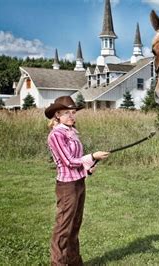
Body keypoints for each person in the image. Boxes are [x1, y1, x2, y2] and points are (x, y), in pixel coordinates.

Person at [45, 96, 109, 265]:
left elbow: (77, 159)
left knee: (75, 225)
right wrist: (92, 156)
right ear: (57, 114)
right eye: (67, 113)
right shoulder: (56, 135)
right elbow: (68, 161)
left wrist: (88, 167)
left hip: (79, 182)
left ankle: (74, 262)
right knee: (63, 227)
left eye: (73, 113)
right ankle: (57, 263)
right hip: (67, 186)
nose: (71, 116)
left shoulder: (72, 132)